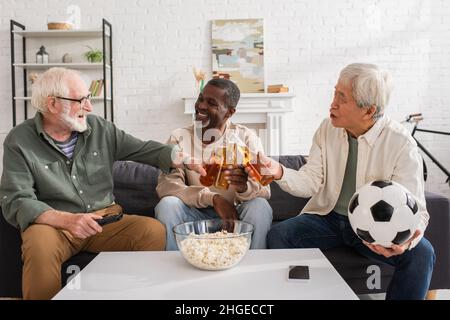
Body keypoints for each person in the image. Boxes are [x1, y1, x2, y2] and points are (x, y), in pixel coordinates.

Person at [0, 67, 205, 300]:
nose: (89, 107)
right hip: (55, 225)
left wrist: (185, 159)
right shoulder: (19, 140)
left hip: (104, 221)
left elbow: (143, 148)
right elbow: (16, 199)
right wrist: (67, 220)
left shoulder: (99, 128)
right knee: (39, 245)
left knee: (152, 231)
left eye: (88, 98)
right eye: (81, 100)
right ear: (53, 104)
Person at [247, 63, 435, 300]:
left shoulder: (401, 143)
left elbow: (417, 208)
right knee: (279, 235)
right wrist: (279, 171)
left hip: (374, 229)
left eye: (342, 97)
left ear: (368, 111)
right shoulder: (327, 129)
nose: (332, 103)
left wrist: (406, 242)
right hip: (329, 218)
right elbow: (311, 181)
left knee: (422, 254)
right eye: (335, 92)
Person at [155, 78, 273, 250]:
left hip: (236, 217)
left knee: (260, 206)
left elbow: (265, 189)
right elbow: (166, 186)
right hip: (194, 215)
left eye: (211, 103)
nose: (201, 106)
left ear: (229, 112)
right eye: (200, 99)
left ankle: (254, 268)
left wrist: (244, 188)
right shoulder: (179, 137)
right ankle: (174, 268)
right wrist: (213, 198)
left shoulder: (247, 137)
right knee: (167, 204)